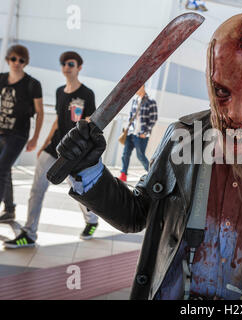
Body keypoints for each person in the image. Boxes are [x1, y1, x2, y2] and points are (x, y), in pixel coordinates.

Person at [56, 10, 242, 300]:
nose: (237, 114)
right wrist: (89, 168)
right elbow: (136, 214)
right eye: (222, 91)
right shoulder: (182, 139)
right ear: (210, 81)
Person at [3, 51, 99, 248]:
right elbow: (58, 120)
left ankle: (91, 220)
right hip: (54, 147)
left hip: (75, 152)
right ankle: (29, 234)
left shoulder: (87, 94)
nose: (66, 66)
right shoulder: (59, 92)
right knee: (37, 188)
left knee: (78, 190)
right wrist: (45, 143)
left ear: (79, 67)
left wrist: (86, 152)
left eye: (71, 63)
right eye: (63, 63)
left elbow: (92, 122)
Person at [0, 45, 43, 223]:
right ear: (8, 59)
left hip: (18, 134)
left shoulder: (32, 84)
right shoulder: (1, 79)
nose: (17, 63)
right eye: (13, 59)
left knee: (1, 169)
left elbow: (40, 111)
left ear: (25, 62)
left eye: (21, 60)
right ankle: (9, 210)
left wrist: (35, 138)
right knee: (5, 169)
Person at [119, 84, 158, 182]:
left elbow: (153, 119)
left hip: (141, 135)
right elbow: (131, 116)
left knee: (140, 156)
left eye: (137, 87)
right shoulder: (135, 100)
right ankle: (123, 174)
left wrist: (145, 132)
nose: (135, 89)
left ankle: (152, 173)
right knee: (125, 154)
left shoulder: (150, 102)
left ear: (143, 86)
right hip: (131, 132)